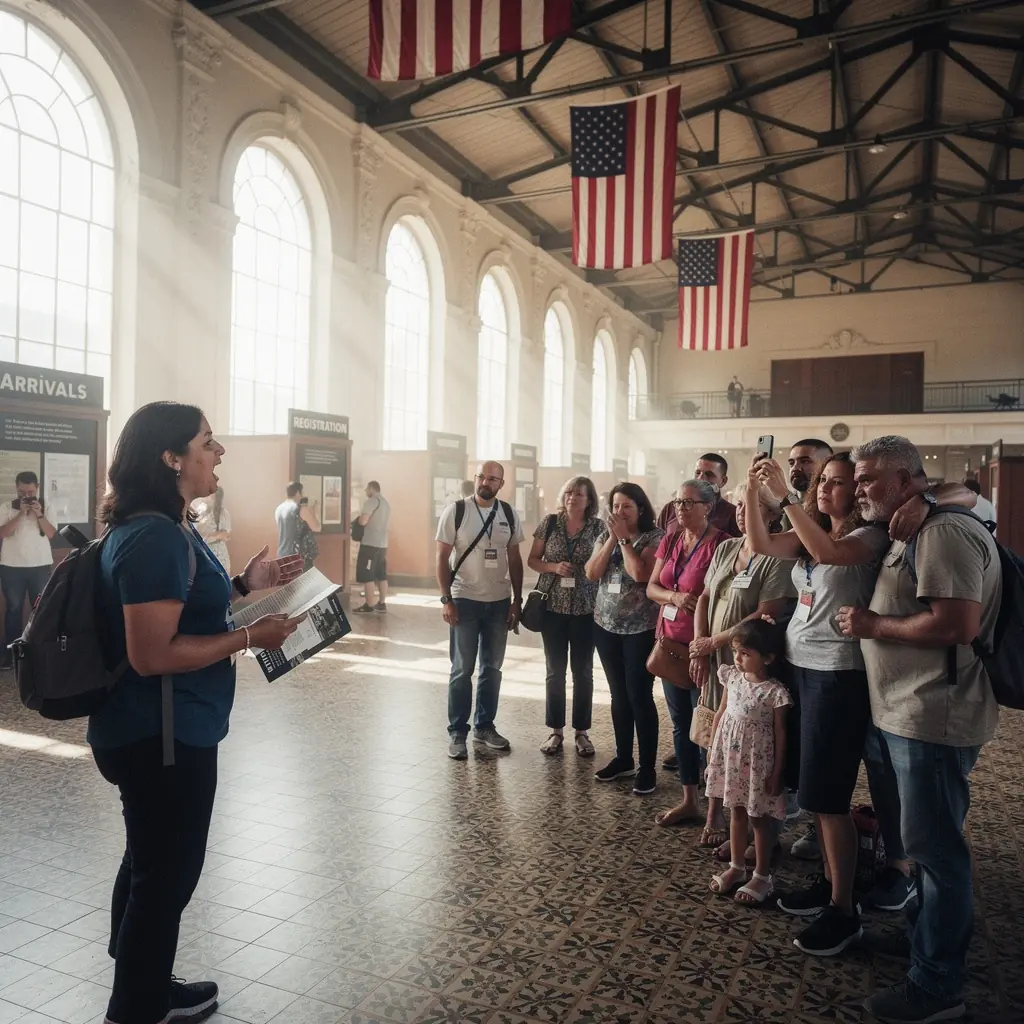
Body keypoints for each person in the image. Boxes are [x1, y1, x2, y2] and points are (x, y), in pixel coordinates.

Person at [88, 402, 304, 1024]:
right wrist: (249, 637)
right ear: (171, 457)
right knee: (167, 876)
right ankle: (134, 1008)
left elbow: (183, 609)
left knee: (149, 860)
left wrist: (243, 584)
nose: (219, 452)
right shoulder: (155, 535)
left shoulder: (163, 526)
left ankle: (147, 977)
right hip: (162, 734)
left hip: (163, 728)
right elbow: (152, 653)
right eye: (208, 442)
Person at [838, 436, 1001, 1024]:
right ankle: (920, 940)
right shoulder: (912, 526)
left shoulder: (943, 533)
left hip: (934, 715)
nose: (859, 490)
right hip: (903, 712)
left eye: (869, 479)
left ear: (908, 478)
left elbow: (955, 624)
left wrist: (870, 623)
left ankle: (938, 987)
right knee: (923, 845)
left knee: (938, 853)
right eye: (855, 479)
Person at [747, 453, 894, 957]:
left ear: (858, 491)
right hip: (800, 665)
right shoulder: (812, 531)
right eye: (824, 481)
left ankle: (844, 909)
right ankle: (830, 881)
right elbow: (760, 544)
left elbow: (829, 553)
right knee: (813, 790)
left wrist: (786, 499)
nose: (828, 489)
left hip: (838, 674)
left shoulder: (868, 537)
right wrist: (752, 490)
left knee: (829, 796)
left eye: (839, 483)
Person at [670, 487, 796, 854]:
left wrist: (714, 642)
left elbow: (764, 614)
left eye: (751, 507)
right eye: (739, 505)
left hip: (749, 663)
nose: (741, 512)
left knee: (751, 744)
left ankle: (755, 827)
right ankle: (714, 814)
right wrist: (699, 645)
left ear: (770, 515)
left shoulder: (778, 555)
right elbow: (706, 596)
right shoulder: (726, 548)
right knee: (716, 732)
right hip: (713, 658)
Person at [646, 480, 728, 825]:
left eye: (689, 502)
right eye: (678, 501)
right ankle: (689, 799)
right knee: (680, 726)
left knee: (707, 728)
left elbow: (720, 602)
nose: (680, 507)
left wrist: (702, 649)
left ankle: (715, 811)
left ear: (707, 507)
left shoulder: (722, 545)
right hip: (669, 645)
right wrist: (674, 598)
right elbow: (652, 587)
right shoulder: (672, 539)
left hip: (701, 650)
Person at [437, 461, 524, 760]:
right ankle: (457, 732)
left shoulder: (509, 514)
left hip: (499, 602)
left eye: (493, 478)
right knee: (462, 669)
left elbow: (514, 559)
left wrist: (517, 600)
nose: (486, 482)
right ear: (475, 479)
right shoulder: (457, 511)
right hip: (464, 599)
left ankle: (484, 726)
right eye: (481, 477)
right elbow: (441, 557)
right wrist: (446, 599)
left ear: (502, 483)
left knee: (492, 668)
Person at [585, 483, 664, 795]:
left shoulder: (655, 537)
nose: (619, 512)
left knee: (639, 696)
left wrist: (625, 541)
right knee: (618, 695)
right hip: (605, 626)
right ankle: (623, 758)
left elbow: (640, 574)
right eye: (615, 506)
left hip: (640, 629)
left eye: (626, 507)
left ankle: (647, 768)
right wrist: (610, 542)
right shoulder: (606, 536)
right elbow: (592, 574)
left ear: (640, 509)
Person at [706, 618, 792, 904]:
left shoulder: (775, 692)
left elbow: (781, 734)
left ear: (768, 657)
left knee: (758, 818)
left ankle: (762, 875)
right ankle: (736, 867)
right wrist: (712, 751)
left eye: (746, 654)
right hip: (731, 760)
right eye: (736, 652)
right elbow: (721, 714)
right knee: (736, 812)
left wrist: (778, 772)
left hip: (758, 765)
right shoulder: (731, 677)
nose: (738, 659)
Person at [527, 476, 604, 757]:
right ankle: (556, 731)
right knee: (554, 671)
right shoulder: (549, 522)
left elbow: (606, 562)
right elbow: (532, 560)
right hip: (553, 609)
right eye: (569, 492)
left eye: (579, 494)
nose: (572, 497)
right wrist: (553, 566)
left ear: (589, 499)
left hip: (586, 609)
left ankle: (582, 732)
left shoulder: (598, 527)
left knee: (583, 673)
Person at [0, 470, 56, 667]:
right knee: (13, 609)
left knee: (40, 609)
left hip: (40, 565)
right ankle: (11, 654)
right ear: (16, 488)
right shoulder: (7, 507)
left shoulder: (47, 506)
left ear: (37, 488)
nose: (26, 496)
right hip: (11, 566)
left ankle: (38, 652)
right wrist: (20, 515)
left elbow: (50, 533)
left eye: (30, 492)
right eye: (22, 492)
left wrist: (39, 514)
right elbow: (3, 533)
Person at [657, 454, 740, 538]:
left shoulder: (733, 515)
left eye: (709, 474)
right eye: (697, 473)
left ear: (723, 481)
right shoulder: (671, 509)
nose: (700, 478)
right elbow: (658, 544)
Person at [353, 480, 392, 614]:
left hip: (370, 544)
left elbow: (363, 521)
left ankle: (369, 605)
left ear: (371, 488)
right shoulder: (386, 503)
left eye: (367, 489)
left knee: (367, 574)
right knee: (381, 574)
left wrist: (357, 520)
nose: (365, 491)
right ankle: (381, 603)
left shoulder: (371, 501)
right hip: (383, 544)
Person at [275, 482, 320, 571]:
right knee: (303, 584)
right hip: (298, 558)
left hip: (282, 556)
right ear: (298, 493)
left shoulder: (279, 509)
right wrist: (314, 511)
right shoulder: (300, 509)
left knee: (288, 584)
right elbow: (317, 527)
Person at [192, 486, 231, 574]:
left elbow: (225, 534)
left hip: (218, 555)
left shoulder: (223, 513)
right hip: (202, 553)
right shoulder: (199, 511)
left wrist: (208, 537)